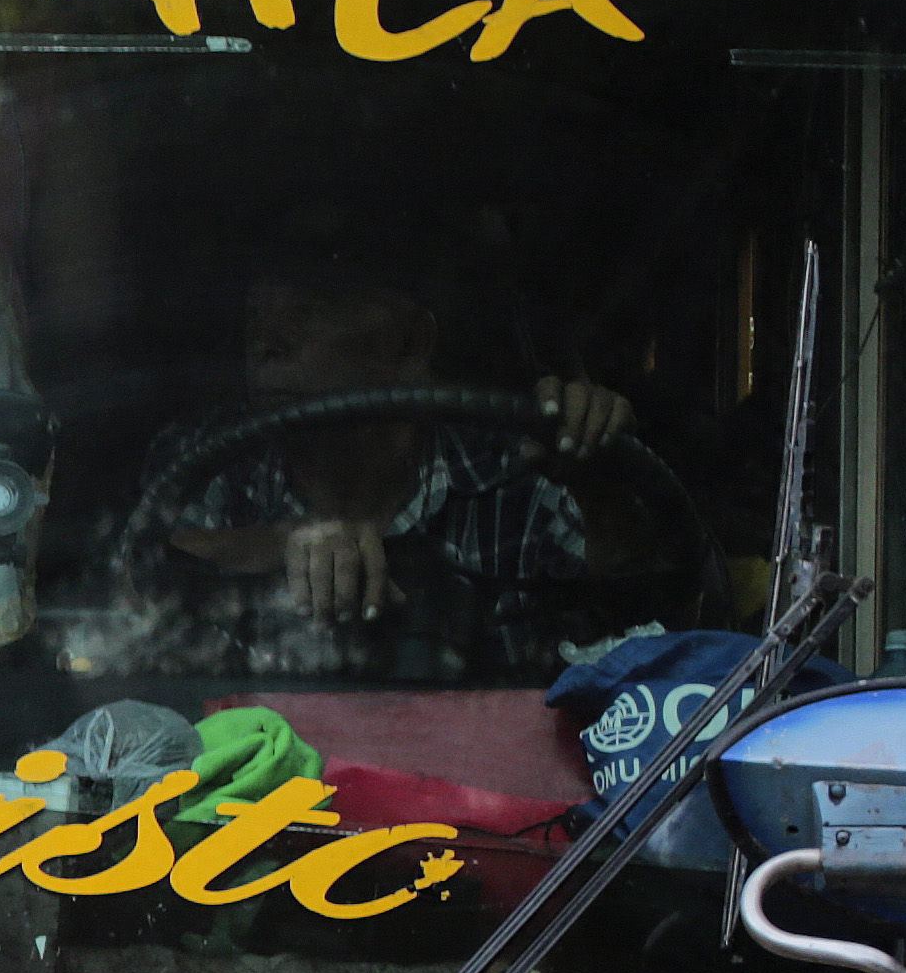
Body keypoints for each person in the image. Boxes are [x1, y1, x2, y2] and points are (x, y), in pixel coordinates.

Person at [144, 256, 633, 672]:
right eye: (257, 316)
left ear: (411, 343)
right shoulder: (208, 460)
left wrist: (605, 487)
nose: (266, 343)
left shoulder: (519, 470)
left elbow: (637, 628)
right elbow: (130, 586)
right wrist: (280, 541)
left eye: (309, 314)